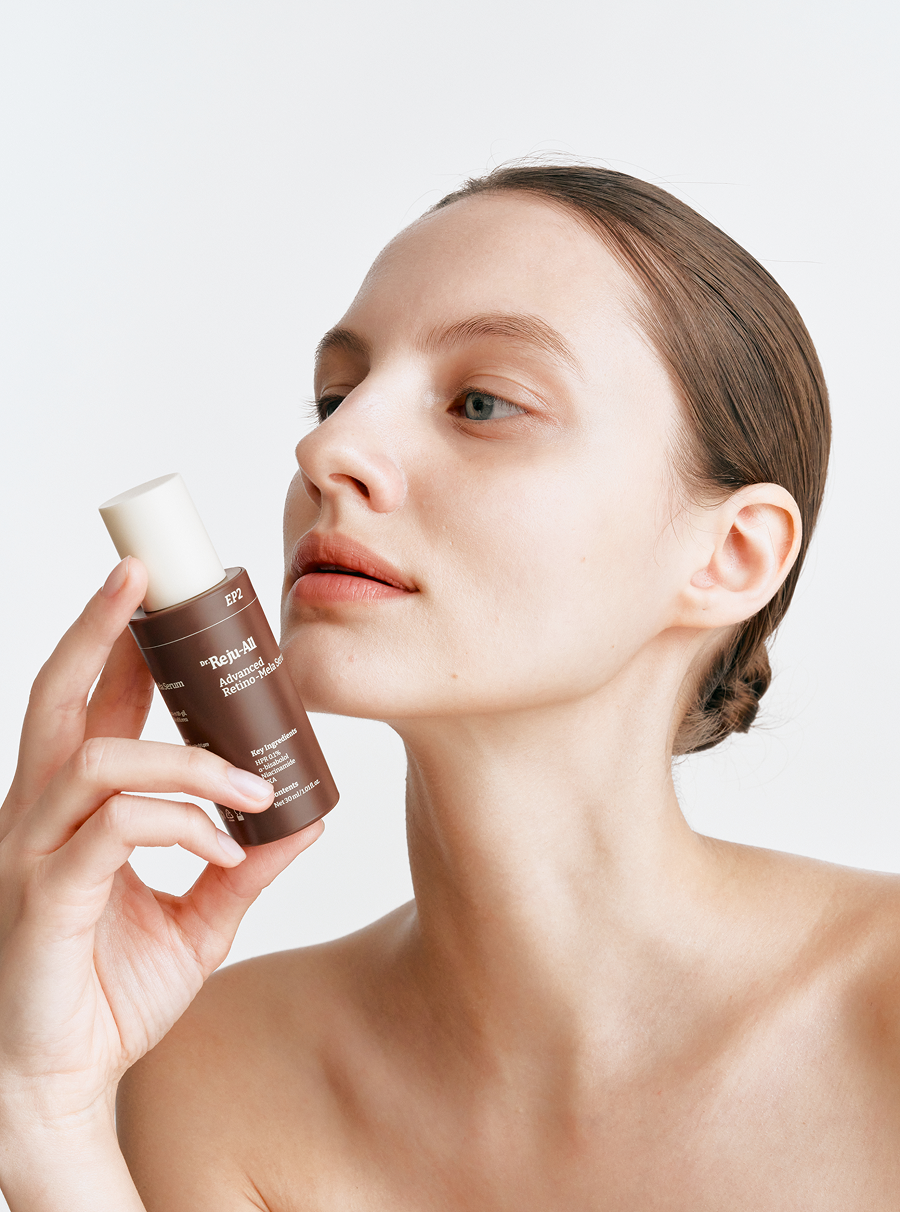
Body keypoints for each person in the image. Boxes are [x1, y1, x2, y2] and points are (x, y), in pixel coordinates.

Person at [0, 162, 895, 1212]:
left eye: (482, 402)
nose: (328, 446)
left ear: (731, 556)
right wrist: (45, 1120)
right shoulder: (212, 1081)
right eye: (336, 396)